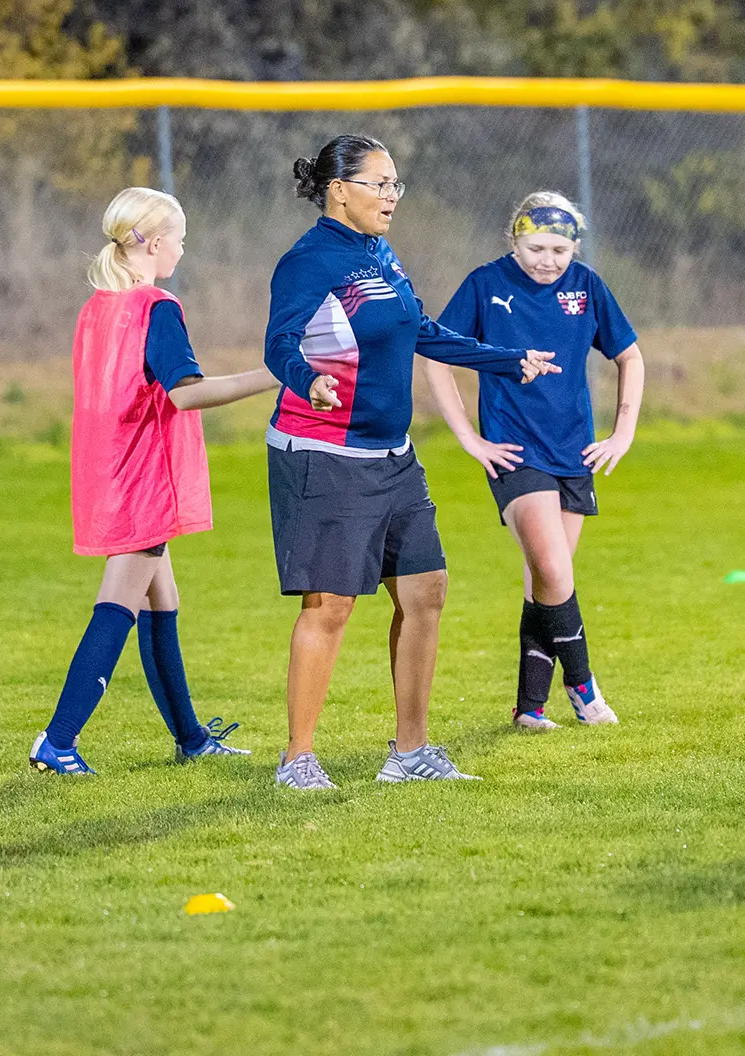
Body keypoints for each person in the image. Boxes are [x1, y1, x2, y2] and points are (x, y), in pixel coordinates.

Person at [264, 135, 561, 790]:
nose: (392, 196)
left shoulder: (379, 253)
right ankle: (298, 760)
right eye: (379, 183)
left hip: (392, 455)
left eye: (397, 184)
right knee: (331, 605)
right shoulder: (309, 260)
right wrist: (305, 377)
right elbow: (278, 343)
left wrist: (505, 361)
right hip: (325, 453)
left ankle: (410, 753)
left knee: (426, 591)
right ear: (339, 189)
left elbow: (421, 329)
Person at [30, 187, 280, 776]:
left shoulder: (98, 306)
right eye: (182, 240)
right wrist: (272, 375)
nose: (183, 250)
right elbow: (185, 392)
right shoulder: (155, 306)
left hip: (107, 469)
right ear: (158, 241)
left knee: (162, 600)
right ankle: (58, 740)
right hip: (142, 476)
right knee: (117, 604)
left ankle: (191, 737)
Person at [426, 191, 644, 730]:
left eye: (560, 250)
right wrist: (469, 438)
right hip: (516, 452)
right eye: (535, 248)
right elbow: (435, 355)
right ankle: (585, 686)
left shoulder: (587, 285)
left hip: (574, 453)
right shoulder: (485, 284)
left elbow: (630, 356)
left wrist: (622, 434)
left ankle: (529, 706)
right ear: (514, 240)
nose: (548, 260)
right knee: (551, 567)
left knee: (546, 582)